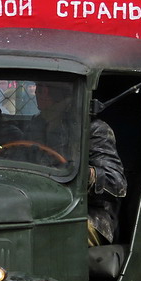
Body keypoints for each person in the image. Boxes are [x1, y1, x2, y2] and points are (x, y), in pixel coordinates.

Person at [29, 80, 126, 246]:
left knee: (48, 237)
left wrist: (80, 173)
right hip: (41, 207)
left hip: (89, 215)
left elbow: (116, 183)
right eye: (39, 87)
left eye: (45, 87)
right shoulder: (38, 124)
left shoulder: (94, 129)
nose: (39, 92)